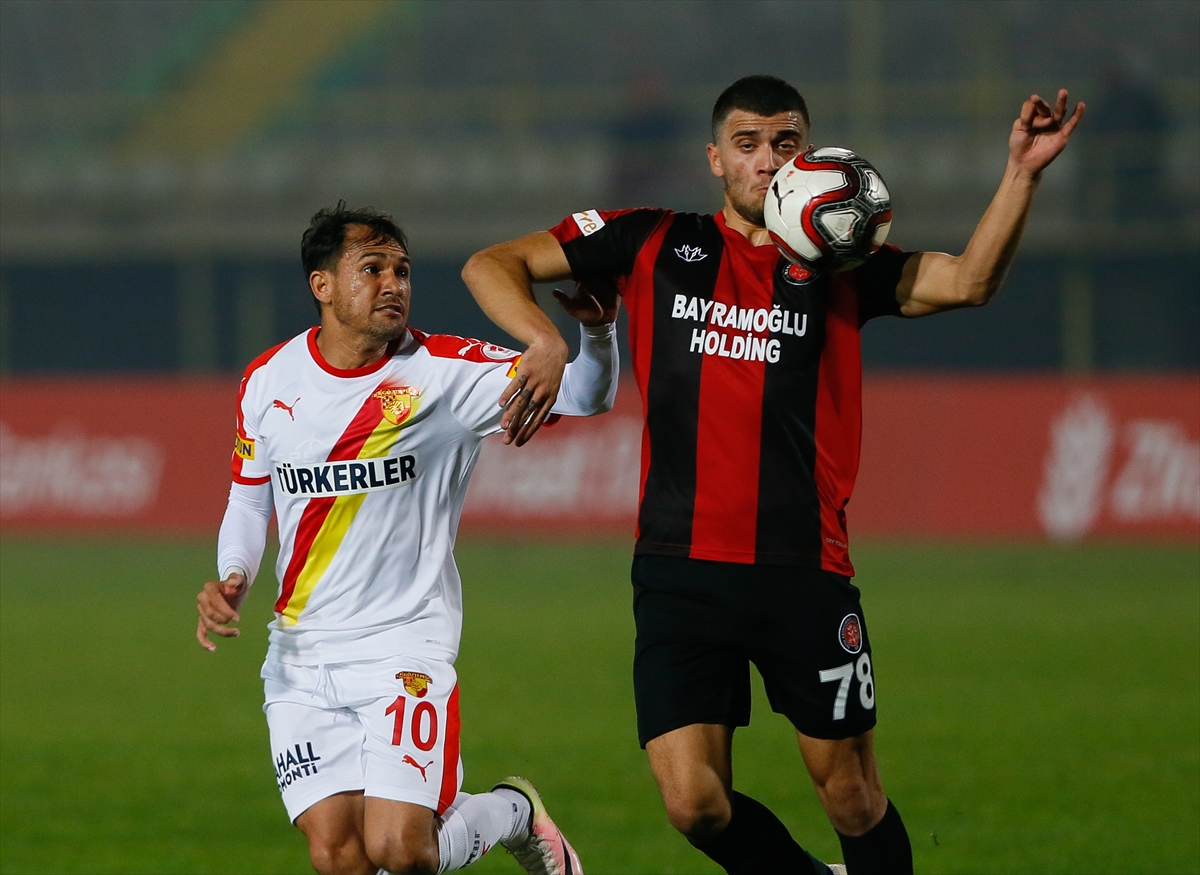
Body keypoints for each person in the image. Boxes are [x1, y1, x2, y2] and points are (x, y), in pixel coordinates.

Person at [461, 75, 1084, 874]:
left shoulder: (841, 262)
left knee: (851, 793)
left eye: (784, 143)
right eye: (748, 145)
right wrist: (543, 341)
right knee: (694, 803)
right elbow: (493, 263)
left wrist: (1022, 173)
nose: (766, 161)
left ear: (808, 153)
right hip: (677, 568)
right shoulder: (648, 238)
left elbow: (970, 281)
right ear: (716, 159)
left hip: (800, 568)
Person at [195, 203, 619, 875]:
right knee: (338, 856)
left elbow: (587, 397)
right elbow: (249, 496)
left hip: (403, 644)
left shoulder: (447, 373)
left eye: (402, 269)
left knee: (402, 850)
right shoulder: (267, 381)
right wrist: (233, 575)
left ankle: (513, 810)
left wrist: (596, 333)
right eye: (372, 268)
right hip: (301, 652)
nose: (393, 282)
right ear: (323, 285)